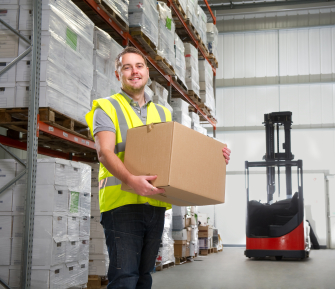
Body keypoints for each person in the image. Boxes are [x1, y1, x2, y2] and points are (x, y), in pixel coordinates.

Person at [85, 46, 231, 289]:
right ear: (117, 74)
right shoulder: (106, 107)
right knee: (124, 279)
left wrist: (216, 156)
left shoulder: (163, 112)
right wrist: (132, 181)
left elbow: (178, 154)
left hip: (155, 206)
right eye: (127, 67)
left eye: (139, 66)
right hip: (122, 205)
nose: (134, 71)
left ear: (147, 72)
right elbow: (105, 152)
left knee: (145, 278)